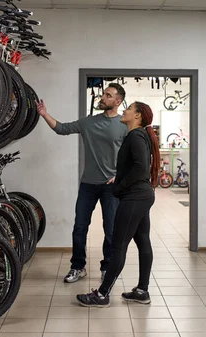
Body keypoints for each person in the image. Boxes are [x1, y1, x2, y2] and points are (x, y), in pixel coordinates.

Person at [35, 83, 128, 283]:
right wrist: (44, 114)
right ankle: (78, 267)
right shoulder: (89, 122)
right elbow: (62, 128)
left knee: (110, 229)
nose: (103, 97)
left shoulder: (124, 125)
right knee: (79, 227)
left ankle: (107, 268)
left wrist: (120, 175)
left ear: (118, 101)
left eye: (108, 95)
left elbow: (133, 155)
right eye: (103, 94)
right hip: (88, 184)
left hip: (111, 186)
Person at [76, 101, 160, 308]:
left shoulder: (135, 136)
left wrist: (120, 186)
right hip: (141, 195)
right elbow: (137, 167)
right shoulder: (138, 136)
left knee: (118, 246)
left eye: (129, 109)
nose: (124, 111)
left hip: (134, 197)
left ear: (138, 116)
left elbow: (141, 168)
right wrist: (120, 177)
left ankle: (102, 294)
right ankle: (142, 291)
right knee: (142, 241)